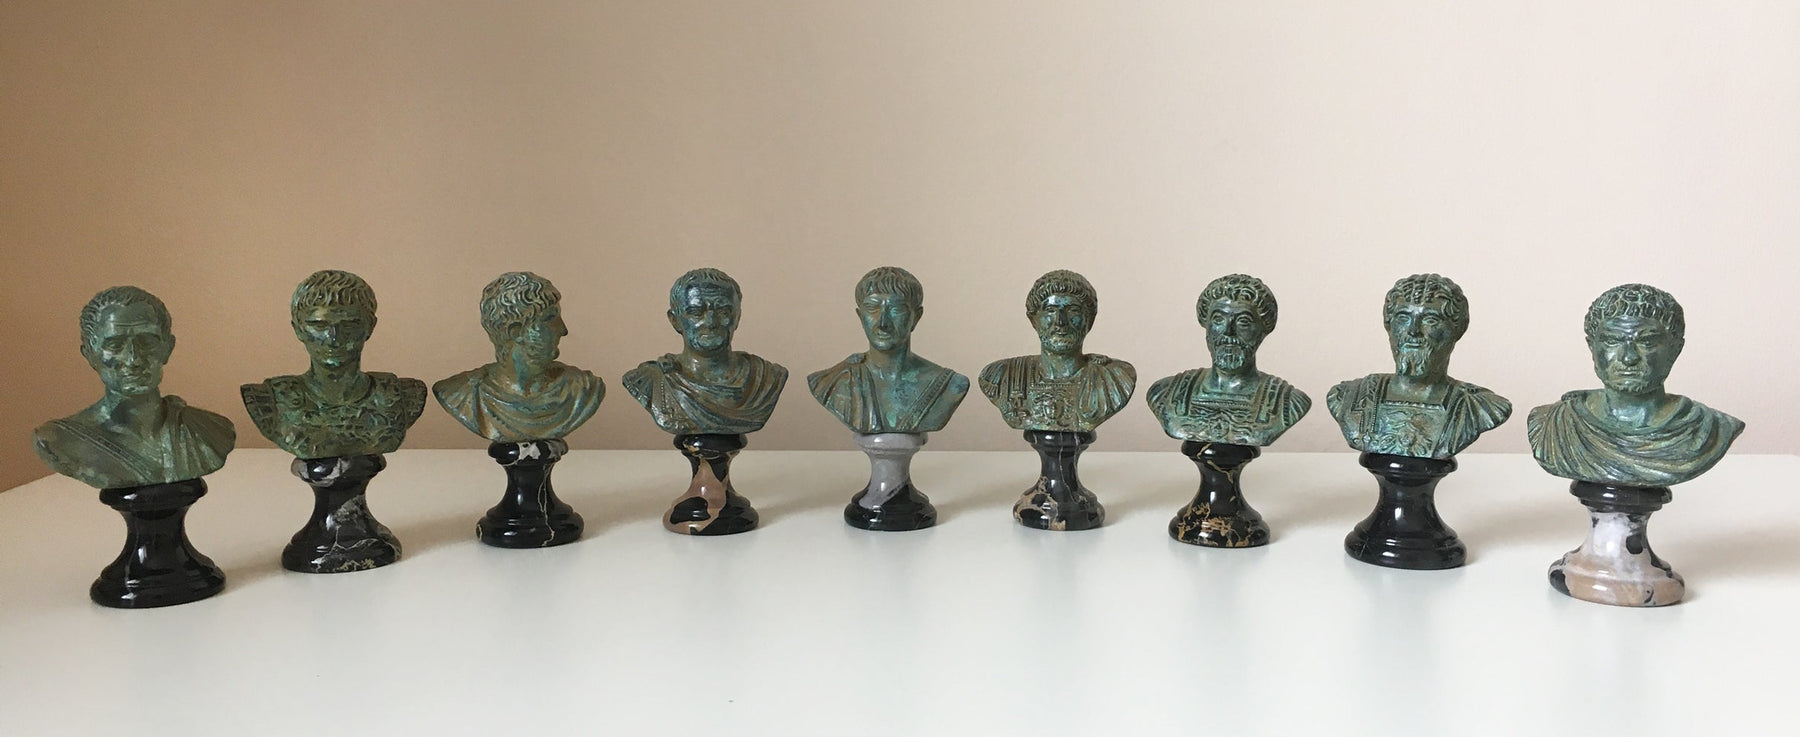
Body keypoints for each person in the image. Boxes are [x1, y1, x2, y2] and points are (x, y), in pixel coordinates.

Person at [1528, 284, 1743, 486]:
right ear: (1592, 347)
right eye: (1613, 341)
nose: (1629, 357)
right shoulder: (1554, 423)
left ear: (1675, 349)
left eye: (1646, 342)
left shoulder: (1708, 429)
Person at [34, 286, 234, 489]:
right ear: (90, 355)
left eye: (147, 342)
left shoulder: (209, 429)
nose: (133, 359)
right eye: (115, 345)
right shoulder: (60, 440)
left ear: (167, 348)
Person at [241, 270, 426, 458]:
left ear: (370, 326)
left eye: (349, 324)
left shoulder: (403, 395)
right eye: (319, 325)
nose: (334, 338)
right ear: (298, 329)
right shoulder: (270, 400)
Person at [1326, 273, 1511, 459]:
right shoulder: (1348, 396)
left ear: (1457, 329)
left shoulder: (1478, 406)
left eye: (1430, 320)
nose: (1413, 331)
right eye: (1403, 318)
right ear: (1389, 325)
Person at [434, 272, 604, 442]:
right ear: (516, 332)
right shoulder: (463, 394)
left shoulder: (583, 387)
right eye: (550, 318)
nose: (563, 329)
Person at [1146, 274, 1310, 446]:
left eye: (1243, 322)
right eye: (1218, 319)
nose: (1228, 332)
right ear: (1206, 324)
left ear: (1263, 329)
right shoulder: (1165, 392)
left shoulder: (1288, 402)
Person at [623, 268, 787, 435]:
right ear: (675, 320)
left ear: (737, 317)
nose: (710, 323)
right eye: (696, 313)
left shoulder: (766, 377)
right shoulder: (652, 379)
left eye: (723, 311)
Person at [807, 266, 968, 434]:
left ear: (916, 317)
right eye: (872, 308)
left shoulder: (950, 385)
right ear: (860, 316)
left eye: (896, 309)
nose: (883, 323)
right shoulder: (831, 381)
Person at [979, 270, 1135, 432]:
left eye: (1073, 310)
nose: (1061, 321)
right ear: (1034, 320)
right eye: (1050, 310)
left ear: (1089, 320)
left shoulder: (1114, 377)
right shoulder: (1002, 375)